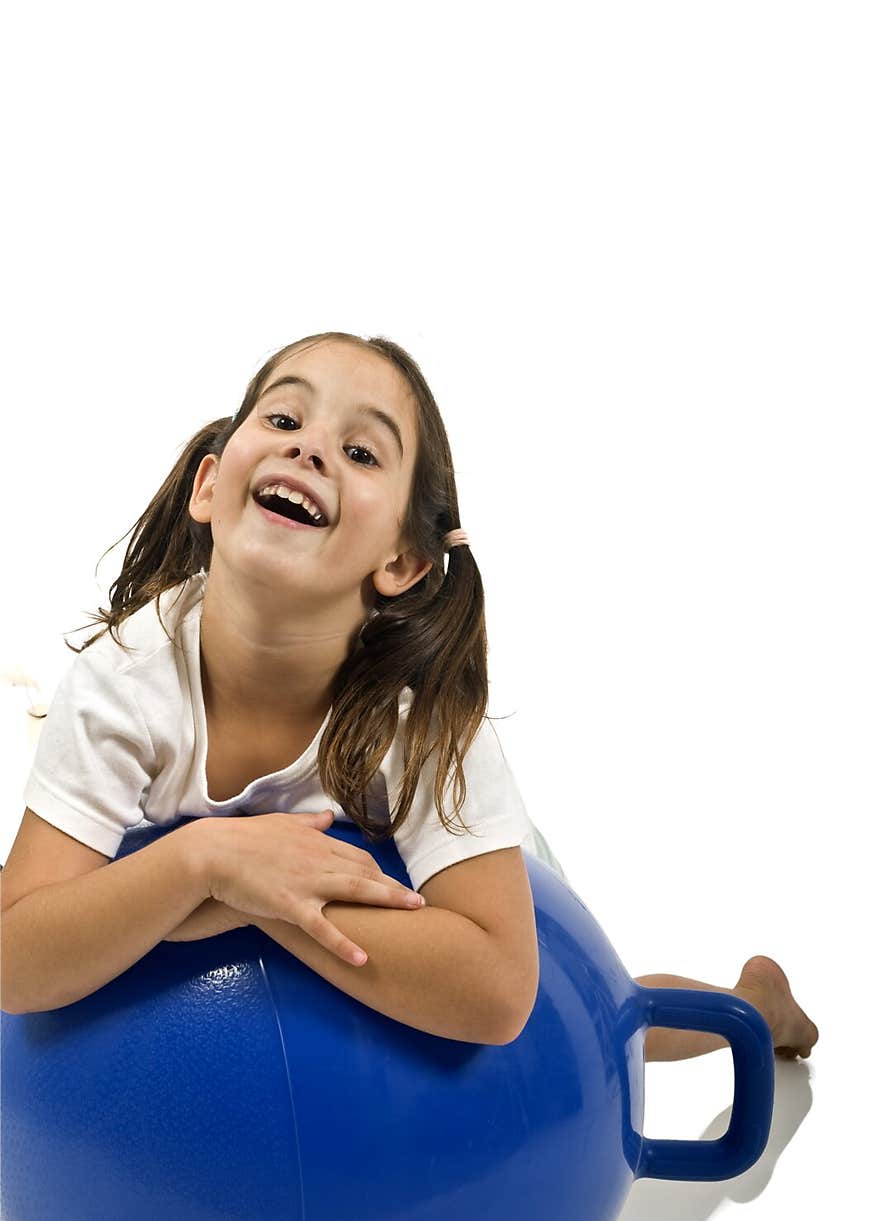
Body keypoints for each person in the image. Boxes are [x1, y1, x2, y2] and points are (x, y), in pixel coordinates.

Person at [0, 332, 818, 1061]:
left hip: (459, 899)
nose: (311, 450)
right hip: (287, 911)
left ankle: (751, 1008)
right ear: (210, 485)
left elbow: (498, 992)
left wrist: (253, 897)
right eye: (284, 421)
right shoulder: (124, 679)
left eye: (361, 453)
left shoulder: (419, 721)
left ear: (402, 563)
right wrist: (205, 860)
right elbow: (13, 957)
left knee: (601, 1027)